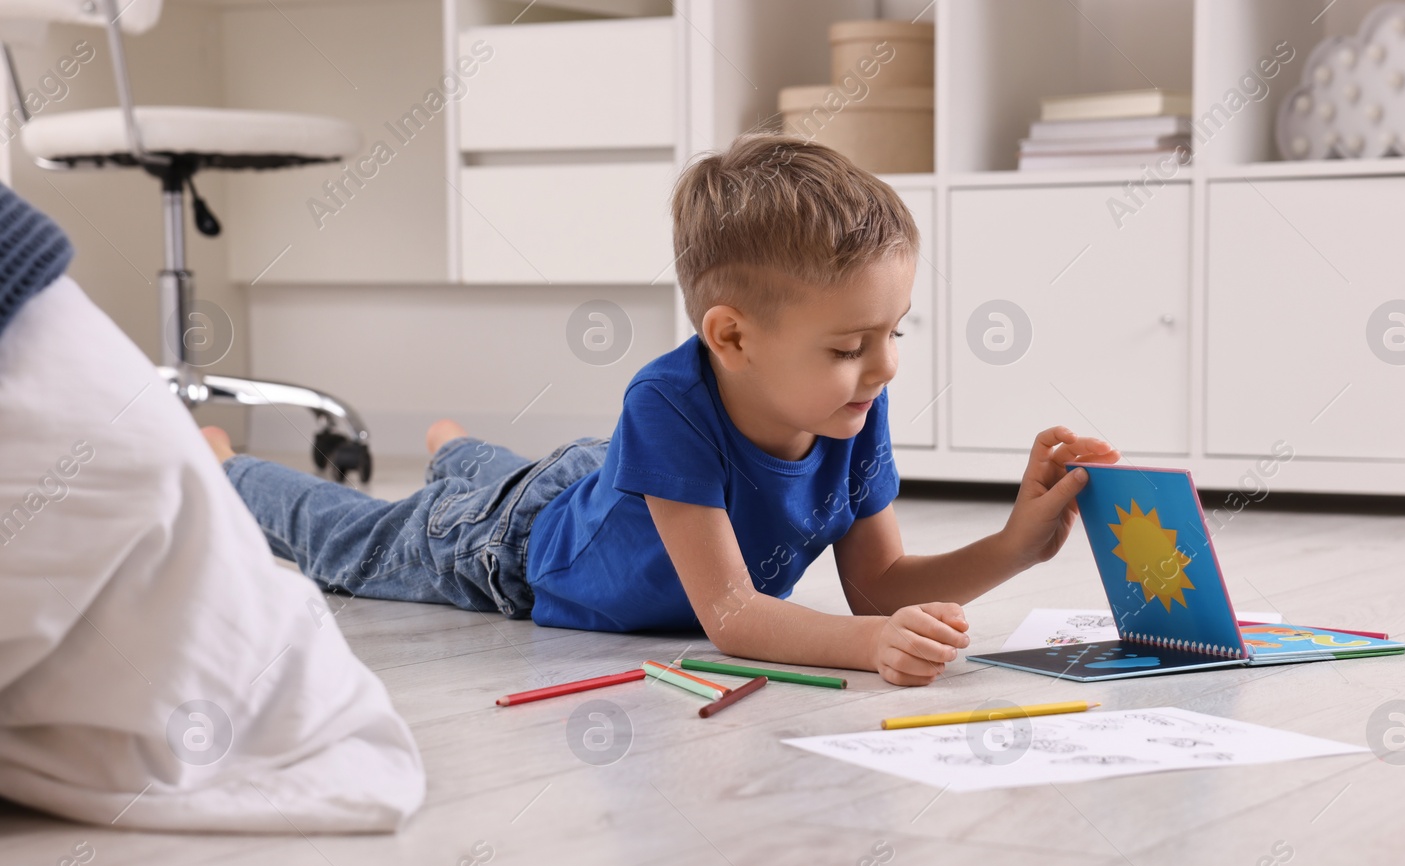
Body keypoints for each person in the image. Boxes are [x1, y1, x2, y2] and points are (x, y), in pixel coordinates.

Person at [207, 133, 1120, 686]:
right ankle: (222, 466)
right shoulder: (666, 400)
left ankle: (456, 446)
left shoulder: (851, 403)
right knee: (357, 545)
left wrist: (1018, 544)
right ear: (730, 337)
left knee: (517, 476)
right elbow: (729, 613)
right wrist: (865, 645)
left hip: (596, 485)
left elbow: (877, 586)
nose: (883, 365)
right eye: (847, 346)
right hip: (512, 552)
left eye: (894, 332)